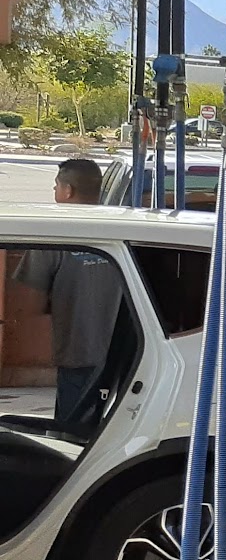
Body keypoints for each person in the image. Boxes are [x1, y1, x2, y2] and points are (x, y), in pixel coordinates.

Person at [11, 159, 127, 428]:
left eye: (56, 186)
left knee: (72, 433)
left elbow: (29, 301)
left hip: (78, 356)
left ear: (68, 190)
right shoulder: (120, 228)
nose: (55, 191)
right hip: (124, 359)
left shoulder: (57, 233)